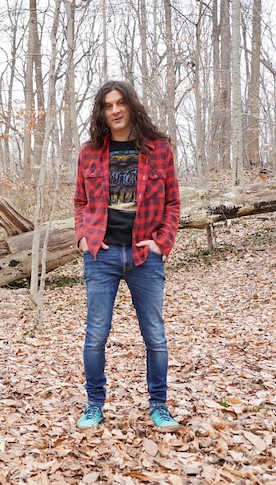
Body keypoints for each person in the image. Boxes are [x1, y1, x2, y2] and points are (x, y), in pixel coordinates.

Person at [73, 80, 181, 430]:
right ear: (102, 112)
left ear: (131, 106)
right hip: (101, 256)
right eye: (108, 105)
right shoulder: (90, 152)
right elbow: (80, 202)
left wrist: (162, 242)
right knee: (96, 334)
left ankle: (159, 405)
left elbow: (172, 203)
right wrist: (83, 237)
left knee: (154, 335)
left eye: (120, 103)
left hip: (143, 256)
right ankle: (94, 405)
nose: (115, 110)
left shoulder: (159, 150)